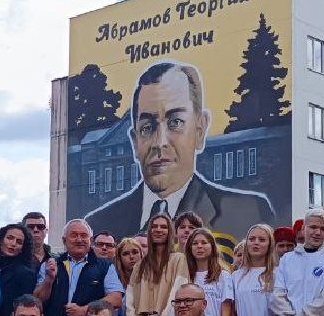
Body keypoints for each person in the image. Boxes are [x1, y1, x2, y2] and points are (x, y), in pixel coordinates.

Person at [85, 61, 274, 239]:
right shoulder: (99, 223)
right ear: (135, 142)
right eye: (146, 128)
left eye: (175, 122)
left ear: (200, 130)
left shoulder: (249, 214)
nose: (159, 142)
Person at [34, 218, 110, 316]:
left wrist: (85, 310)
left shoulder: (105, 266)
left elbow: (116, 298)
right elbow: (38, 300)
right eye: (74, 235)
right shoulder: (50, 264)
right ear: (64, 240)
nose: (79, 240)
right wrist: (49, 279)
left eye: (83, 236)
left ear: (90, 241)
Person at [123, 211, 187, 316]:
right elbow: (130, 305)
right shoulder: (139, 265)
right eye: (155, 226)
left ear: (170, 231)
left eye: (163, 227)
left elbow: (177, 297)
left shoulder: (179, 260)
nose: (158, 230)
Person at [225, 223, 279, 316]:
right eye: (252, 239)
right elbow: (231, 313)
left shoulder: (278, 274)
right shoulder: (235, 277)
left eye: (262, 240)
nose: (256, 243)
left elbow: (280, 314)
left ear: (270, 244)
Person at [0, 223, 38, 316]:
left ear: (22, 249)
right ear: (1, 240)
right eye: (10, 238)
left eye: (19, 242)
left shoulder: (26, 274)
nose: (13, 243)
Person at [102, 237, 143, 316]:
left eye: (135, 252)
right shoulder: (113, 283)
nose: (132, 257)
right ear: (119, 258)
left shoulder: (151, 281)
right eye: (126, 253)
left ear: (141, 254)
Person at [183, 226, 226, 316]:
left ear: (212, 246)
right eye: (195, 243)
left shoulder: (223, 275)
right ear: (190, 248)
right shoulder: (185, 276)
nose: (199, 246)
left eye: (204, 242)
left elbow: (227, 312)